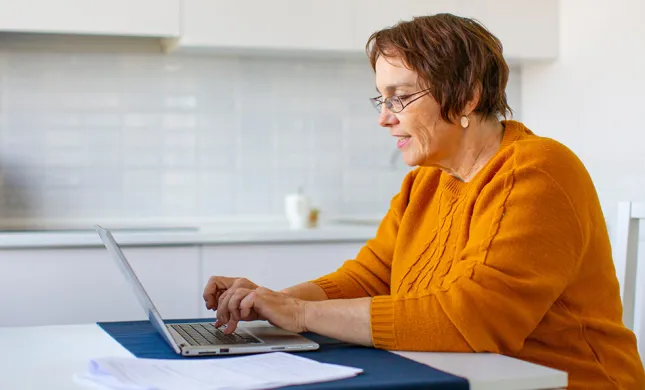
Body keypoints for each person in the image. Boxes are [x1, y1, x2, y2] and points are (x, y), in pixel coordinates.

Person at [202, 13, 644, 389]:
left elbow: (475, 317)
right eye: (382, 97)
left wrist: (300, 313)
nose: (384, 117)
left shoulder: (535, 169)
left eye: (401, 97)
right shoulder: (427, 182)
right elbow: (372, 275)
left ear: (467, 96)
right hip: (469, 377)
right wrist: (268, 301)